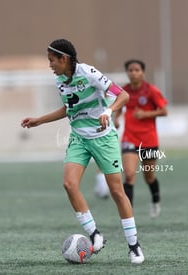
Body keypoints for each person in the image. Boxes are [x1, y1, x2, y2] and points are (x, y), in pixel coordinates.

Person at [21, 39, 145, 264]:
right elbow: (70, 109)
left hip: (103, 138)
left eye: (52, 60)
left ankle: (134, 245)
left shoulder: (88, 72)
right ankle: (96, 234)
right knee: (69, 184)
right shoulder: (60, 80)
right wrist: (40, 120)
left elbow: (123, 95)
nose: (50, 65)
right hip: (79, 138)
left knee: (117, 192)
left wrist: (108, 110)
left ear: (64, 59)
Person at [116, 59, 168, 218]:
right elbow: (118, 106)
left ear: (143, 73)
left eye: (137, 70)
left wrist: (145, 114)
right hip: (129, 138)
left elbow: (164, 111)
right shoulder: (123, 91)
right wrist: (116, 118)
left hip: (149, 140)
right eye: (130, 70)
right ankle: (128, 216)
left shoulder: (151, 91)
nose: (133, 73)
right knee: (129, 174)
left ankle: (155, 200)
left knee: (149, 176)